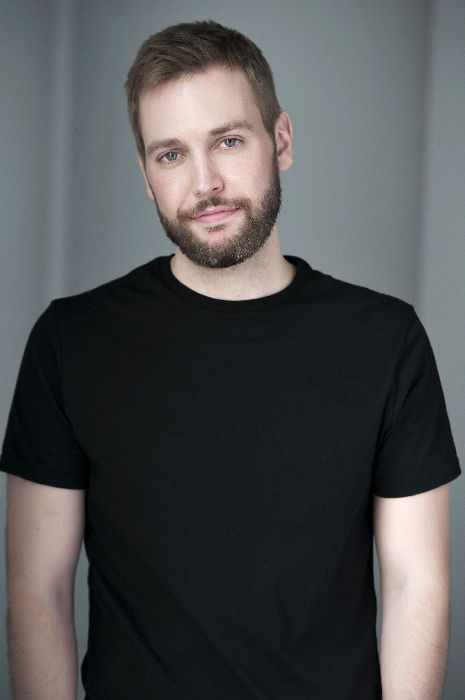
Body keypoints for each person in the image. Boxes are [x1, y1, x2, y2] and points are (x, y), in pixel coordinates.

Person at [1, 19, 461, 700]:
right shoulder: (71, 341)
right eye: (171, 154)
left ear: (281, 141)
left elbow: (414, 582)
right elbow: (38, 587)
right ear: (145, 173)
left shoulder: (386, 339)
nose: (205, 183)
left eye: (228, 141)